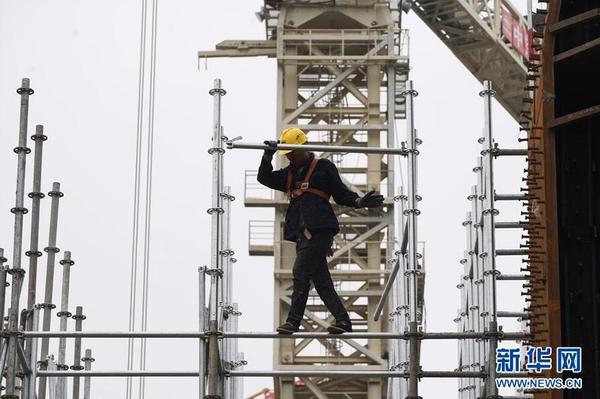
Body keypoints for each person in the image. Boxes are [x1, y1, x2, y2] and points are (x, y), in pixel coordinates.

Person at [257, 127, 384, 334]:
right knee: (321, 281)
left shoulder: (323, 168)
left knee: (300, 272)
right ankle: (343, 321)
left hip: (319, 230)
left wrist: (359, 201)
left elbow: (341, 194)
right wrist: (266, 156)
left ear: (304, 148)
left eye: (292, 152)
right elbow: (264, 178)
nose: (290, 157)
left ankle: (293, 321)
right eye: (287, 154)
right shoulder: (289, 174)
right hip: (302, 234)